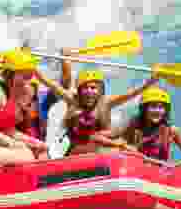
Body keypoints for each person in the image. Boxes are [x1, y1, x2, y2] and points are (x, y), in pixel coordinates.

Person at [33, 64, 161, 156]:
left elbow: (133, 93)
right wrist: (33, 69)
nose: (89, 91)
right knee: (116, 148)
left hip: (102, 145)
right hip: (77, 150)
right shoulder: (73, 100)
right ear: (80, 90)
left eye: (93, 88)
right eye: (85, 88)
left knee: (127, 142)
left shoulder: (106, 103)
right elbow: (50, 84)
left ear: (100, 90)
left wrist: (149, 82)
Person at [106, 87, 181, 167]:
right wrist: (122, 145)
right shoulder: (133, 125)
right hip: (134, 170)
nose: (157, 111)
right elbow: (106, 138)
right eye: (153, 106)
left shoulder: (172, 130)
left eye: (161, 107)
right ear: (144, 109)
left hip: (157, 174)